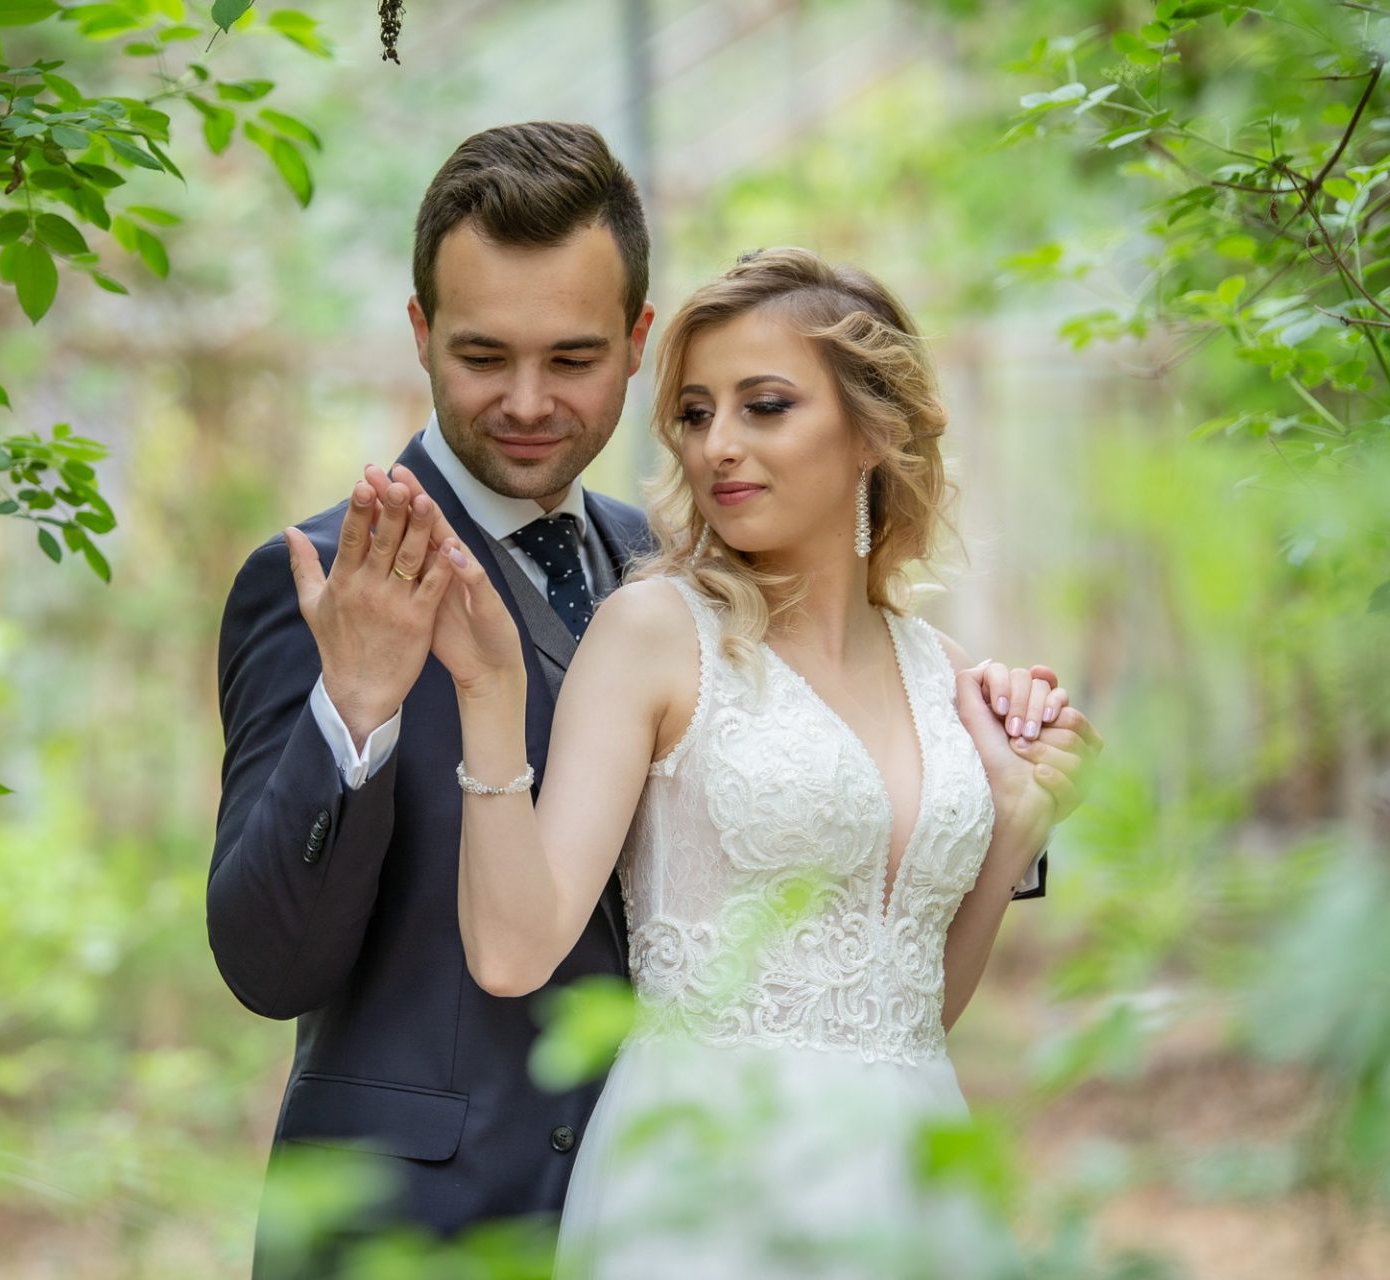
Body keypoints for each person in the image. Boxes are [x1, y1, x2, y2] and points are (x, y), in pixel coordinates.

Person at [209, 122, 1079, 1274]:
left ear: (634, 344)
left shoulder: (689, 570)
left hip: (719, 1192)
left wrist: (987, 788)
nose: (526, 400)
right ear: (419, 335)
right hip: (420, 1222)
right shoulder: (322, 580)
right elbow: (268, 965)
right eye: (482, 356)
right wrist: (358, 709)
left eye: (571, 359)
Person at [418, 246, 1103, 1277]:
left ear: (874, 428)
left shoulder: (944, 674)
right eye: (695, 414)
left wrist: (1013, 821)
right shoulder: (656, 632)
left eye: (764, 406)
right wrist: (486, 692)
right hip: (707, 1183)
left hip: (917, 1175)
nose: (718, 447)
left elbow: (914, 1010)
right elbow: (514, 950)